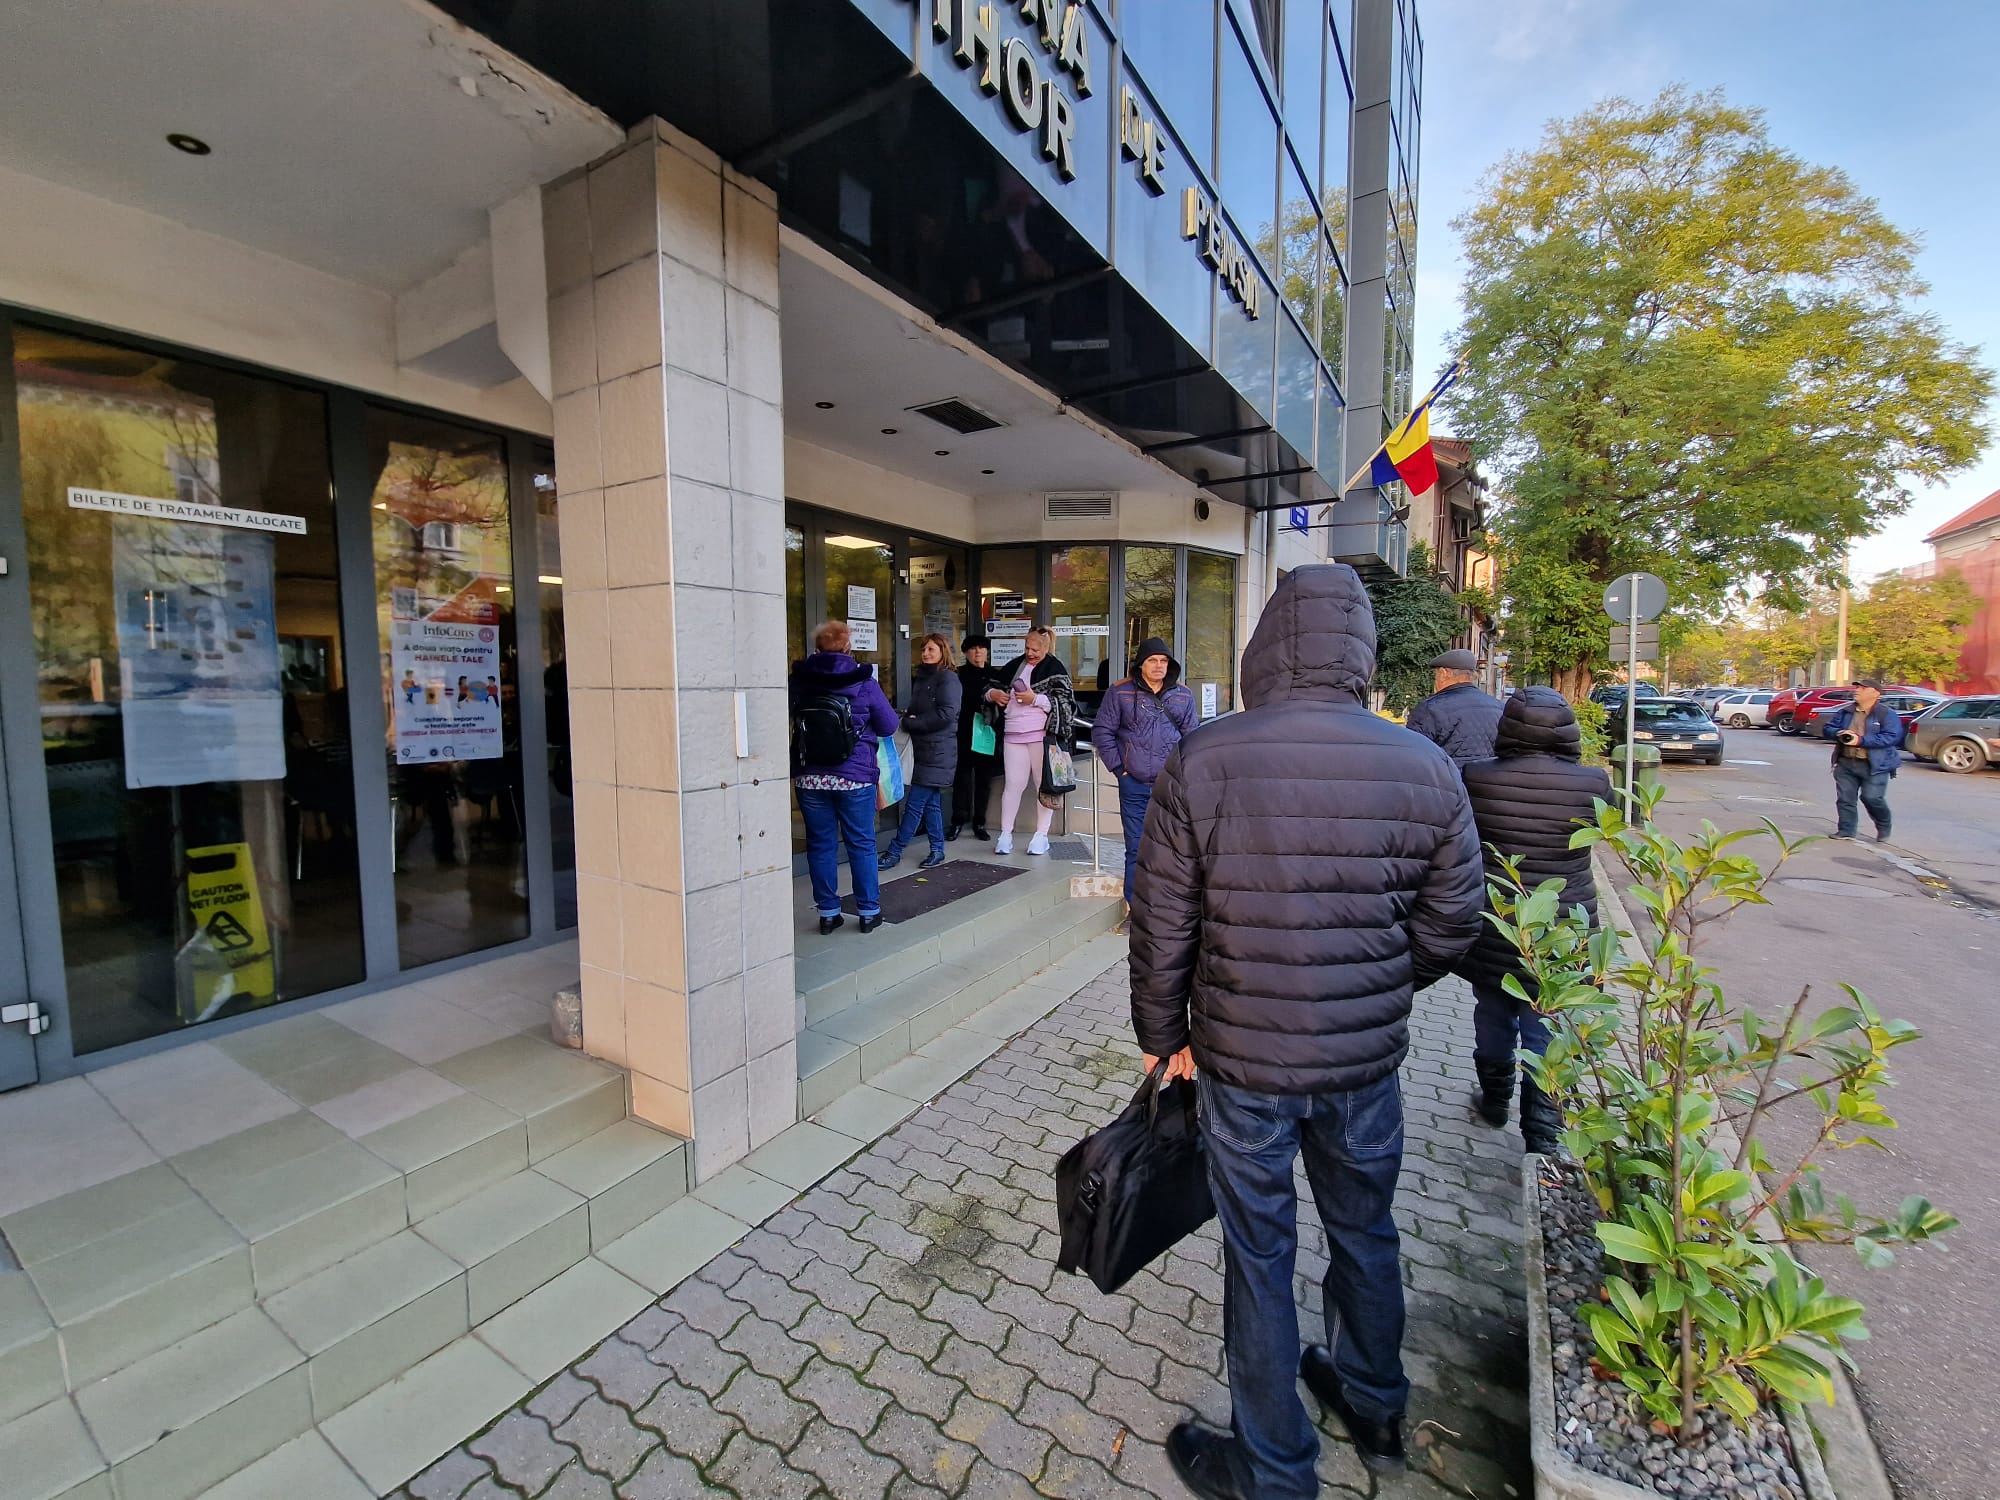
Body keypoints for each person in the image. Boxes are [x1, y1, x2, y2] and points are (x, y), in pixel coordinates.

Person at [1130, 564, 1484, 1500]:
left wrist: (1164, 1033)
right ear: (1361, 652)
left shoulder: (1206, 757)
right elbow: (1456, 920)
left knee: (1260, 1253)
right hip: (1365, 1064)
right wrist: (1372, 987)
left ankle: (1275, 1466)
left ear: (1264, 648)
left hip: (1243, 1062)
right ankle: (1375, 1406)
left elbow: (1163, 918)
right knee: (1367, 1230)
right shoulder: (1426, 764)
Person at [1455, 688, 1611, 1153]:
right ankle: (1543, 1137)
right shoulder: (1594, 782)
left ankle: (1495, 1100)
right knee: (1547, 1024)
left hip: (1498, 919)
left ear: (1509, 728)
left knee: (1493, 1009)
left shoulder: (1476, 777)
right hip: (1564, 925)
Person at [789, 621, 901, 934]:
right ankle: (868, 912)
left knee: (820, 845)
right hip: (854, 777)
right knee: (861, 844)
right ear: (848, 647)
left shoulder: (800, 680)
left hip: (810, 777)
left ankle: (828, 913)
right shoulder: (863, 681)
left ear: (817, 649)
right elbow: (889, 724)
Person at [1091, 637, 1198, 904]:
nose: (1159, 666)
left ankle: (1169, 905)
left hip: (1170, 786)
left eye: (1164, 661)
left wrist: (1183, 776)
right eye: (1152, 660)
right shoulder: (1120, 692)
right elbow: (1102, 732)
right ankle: (1135, 908)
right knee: (1136, 848)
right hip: (1134, 784)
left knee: (1174, 846)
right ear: (1141, 665)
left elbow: (1192, 739)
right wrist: (1119, 770)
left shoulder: (1183, 696)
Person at [986, 627, 1074, 855]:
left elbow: (1065, 702)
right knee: (1012, 786)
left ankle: (1040, 835)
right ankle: (1005, 835)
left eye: (1035, 649)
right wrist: (993, 695)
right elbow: (988, 687)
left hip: (1041, 736)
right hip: (1013, 734)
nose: (1030, 653)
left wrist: (1035, 699)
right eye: (1027, 648)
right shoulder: (1014, 665)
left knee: (1043, 787)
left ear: (1046, 648)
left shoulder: (1055, 667)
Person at [879, 634, 962, 871]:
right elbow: (924, 710)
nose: (926, 653)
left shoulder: (948, 679)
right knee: (931, 803)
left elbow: (946, 714)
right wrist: (907, 716)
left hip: (938, 752)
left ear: (942, 651)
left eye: (931, 649)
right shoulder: (925, 678)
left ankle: (894, 851)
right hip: (924, 750)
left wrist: (912, 723)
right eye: (924, 649)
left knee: (915, 804)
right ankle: (937, 849)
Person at [1821, 681, 1903, 842]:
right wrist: (1839, 732)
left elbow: (1892, 737)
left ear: (1876, 693)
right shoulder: (1846, 711)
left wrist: (1861, 740)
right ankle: (1846, 830)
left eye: (1863, 688)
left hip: (1875, 765)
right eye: (1857, 687)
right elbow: (1827, 728)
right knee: (1845, 798)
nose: (1857, 690)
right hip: (1846, 761)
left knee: (1872, 798)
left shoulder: (1885, 714)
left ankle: (1884, 824)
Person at [1404, 648, 1503, 766]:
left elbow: (1413, 753)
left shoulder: (1430, 709)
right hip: (1486, 781)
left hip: (1447, 781)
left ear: (1444, 673)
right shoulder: (1498, 707)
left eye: (1436, 676)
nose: (1435, 682)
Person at [950, 634, 1004, 840]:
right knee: (962, 779)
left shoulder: (996, 675)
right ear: (966, 652)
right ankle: (957, 821)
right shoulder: (958, 674)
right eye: (973, 649)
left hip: (988, 733)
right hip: (964, 732)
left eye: (982, 648)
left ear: (987, 651)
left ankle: (979, 822)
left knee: (984, 781)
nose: (978, 652)